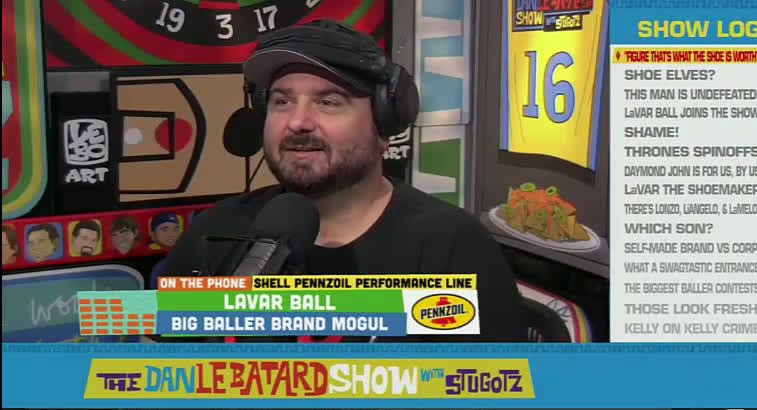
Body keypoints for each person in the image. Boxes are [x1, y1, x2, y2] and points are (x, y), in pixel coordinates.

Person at [159, 20, 527, 343]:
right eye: (282, 102)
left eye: (329, 102)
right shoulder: (218, 230)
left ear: (385, 122)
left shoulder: (451, 246)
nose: (297, 122)